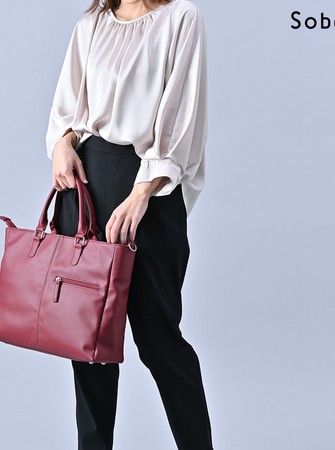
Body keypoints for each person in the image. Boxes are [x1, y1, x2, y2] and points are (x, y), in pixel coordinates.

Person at [45, 1, 212, 449]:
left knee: (160, 342)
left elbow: (181, 117)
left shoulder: (181, 18)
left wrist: (141, 194)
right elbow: (68, 112)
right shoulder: (91, 26)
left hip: (148, 192)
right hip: (87, 187)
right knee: (89, 346)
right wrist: (61, 145)